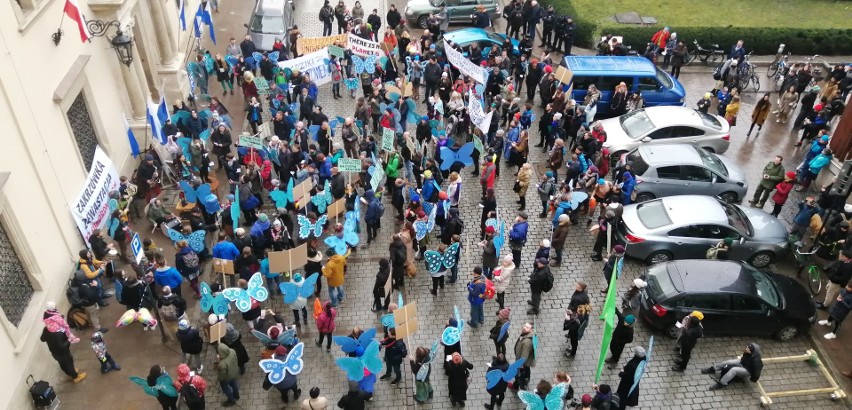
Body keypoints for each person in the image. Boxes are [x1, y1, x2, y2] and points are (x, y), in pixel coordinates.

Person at [216, 342, 241, 407]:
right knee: (234, 384)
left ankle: (231, 400)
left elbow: (222, 375)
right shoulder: (232, 351)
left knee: (225, 388)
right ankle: (237, 395)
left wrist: (219, 379)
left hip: (227, 378)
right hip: (234, 372)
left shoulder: (222, 364)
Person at [514, 322, 536, 391]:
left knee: (519, 374)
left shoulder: (527, 342)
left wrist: (520, 365)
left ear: (531, 330)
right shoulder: (527, 335)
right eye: (524, 326)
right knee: (526, 372)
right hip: (526, 362)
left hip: (522, 362)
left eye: (527, 327)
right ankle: (520, 383)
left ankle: (520, 386)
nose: (524, 328)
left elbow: (524, 356)